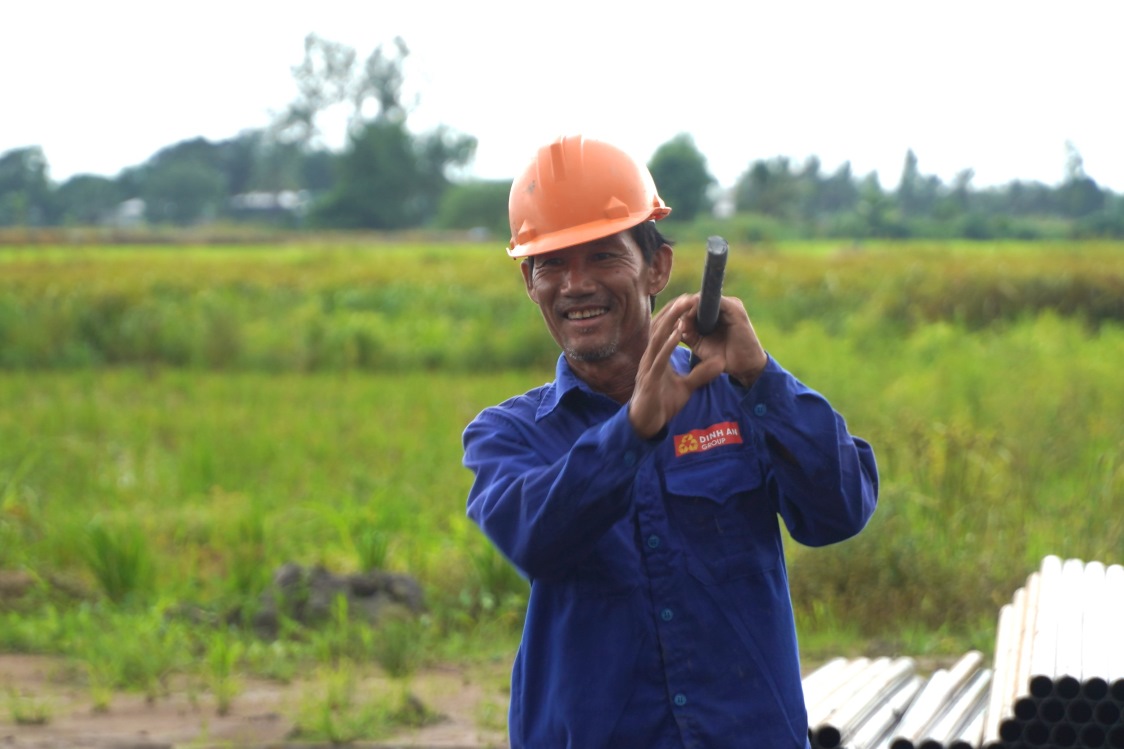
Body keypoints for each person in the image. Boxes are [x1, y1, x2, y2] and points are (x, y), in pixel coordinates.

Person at [462, 134, 878, 749]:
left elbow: (838, 513)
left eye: (603, 256)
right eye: (551, 263)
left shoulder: (741, 398)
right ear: (529, 281)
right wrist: (634, 431)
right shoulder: (510, 433)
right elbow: (536, 540)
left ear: (656, 267)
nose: (575, 284)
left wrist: (763, 376)